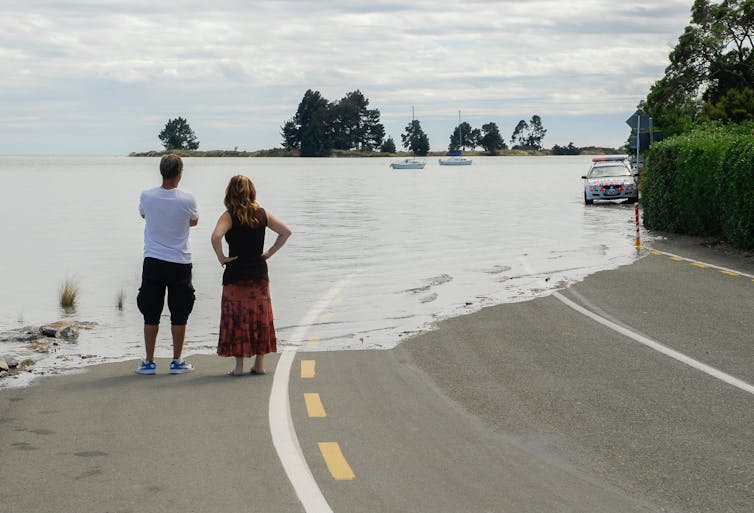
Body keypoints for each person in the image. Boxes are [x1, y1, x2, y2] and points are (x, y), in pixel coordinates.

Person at [211, 175, 291, 376]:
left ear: (230, 192)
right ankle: (259, 364)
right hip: (258, 274)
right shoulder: (262, 214)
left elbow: (216, 237)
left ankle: (238, 367)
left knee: (238, 317)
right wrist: (269, 253)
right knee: (259, 317)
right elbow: (286, 232)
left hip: (236, 274)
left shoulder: (229, 216)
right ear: (251, 191)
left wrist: (222, 257)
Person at [135, 154, 199, 375]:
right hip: (179, 261)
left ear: (162, 172)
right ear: (180, 173)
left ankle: (149, 361)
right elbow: (194, 221)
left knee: (150, 312)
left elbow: (143, 215)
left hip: (153, 259)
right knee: (179, 312)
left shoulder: (147, 196)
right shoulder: (188, 199)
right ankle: (177, 360)